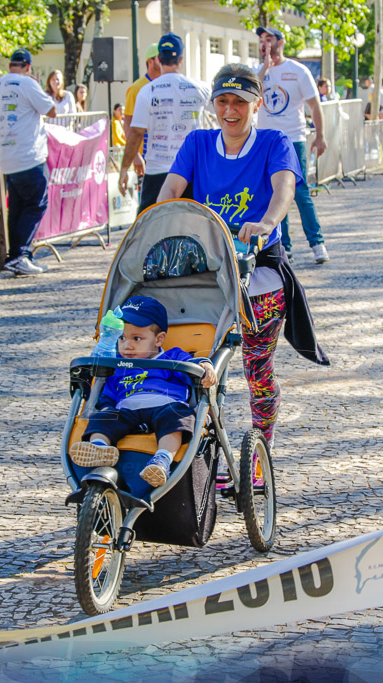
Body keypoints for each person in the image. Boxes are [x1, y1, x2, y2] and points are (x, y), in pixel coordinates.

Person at [157, 63, 330, 446]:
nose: (230, 111)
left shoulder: (274, 143)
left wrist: (267, 223)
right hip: (205, 279)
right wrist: (165, 220)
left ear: (257, 105)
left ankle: (260, 448)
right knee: (193, 367)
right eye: (223, 101)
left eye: (240, 102)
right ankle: (198, 450)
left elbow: (284, 187)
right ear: (214, 104)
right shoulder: (198, 144)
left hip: (258, 278)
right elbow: (169, 192)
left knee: (257, 367)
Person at [69, 296, 217, 487]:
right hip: (126, 408)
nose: (127, 345)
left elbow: (192, 366)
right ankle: (99, 447)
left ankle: (162, 459)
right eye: (121, 338)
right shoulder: (117, 364)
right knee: (103, 417)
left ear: (159, 339)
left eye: (136, 338)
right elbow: (110, 392)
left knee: (178, 419)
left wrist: (205, 365)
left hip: (165, 405)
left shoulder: (172, 356)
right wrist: (106, 407)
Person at [255, 25, 330, 264]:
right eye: (261, 40)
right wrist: (264, 70)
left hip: (293, 139)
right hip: (266, 141)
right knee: (274, 193)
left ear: (281, 42)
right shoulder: (259, 71)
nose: (264, 43)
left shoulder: (298, 71)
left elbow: (315, 105)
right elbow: (251, 97)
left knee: (299, 191)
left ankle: (317, 243)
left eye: (269, 39)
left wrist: (320, 135)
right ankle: (284, 246)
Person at [0, 48, 56, 276]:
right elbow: (51, 110)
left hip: (7, 158)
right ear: (28, 67)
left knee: (16, 207)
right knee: (36, 204)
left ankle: (15, 256)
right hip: (29, 155)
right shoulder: (27, 83)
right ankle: (21, 254)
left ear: (10, 65)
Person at [118, 33, 210, 213]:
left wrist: (124, 168)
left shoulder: (147, 91)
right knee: (191, 227)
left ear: (159, 59)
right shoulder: (200, 88)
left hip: (157, 171)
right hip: (190, 170)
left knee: (148, 228)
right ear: (181, 59)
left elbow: (136, 133)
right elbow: (224, 113)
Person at [123, 43, 160, 180]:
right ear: (150, 61)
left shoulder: (167, 85)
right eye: (160, 57)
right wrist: (135, 156)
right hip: (146, 159)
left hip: (165, 159)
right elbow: (128, 124)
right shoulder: (137, 88)